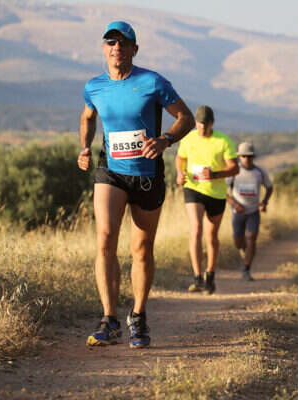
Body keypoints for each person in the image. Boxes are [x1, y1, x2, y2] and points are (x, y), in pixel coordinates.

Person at [78, 21, 195, 349]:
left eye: (123, 42)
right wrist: (85, 147)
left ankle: (138, 316)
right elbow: (87, 117)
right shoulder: (94, 87)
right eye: (111, 42)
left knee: (141, 248)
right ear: (104, 48)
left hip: (146, 175)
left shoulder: (152, 82)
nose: (117, 47)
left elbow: (186, 117)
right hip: (111, 171)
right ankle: (109, 319)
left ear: (134, 49)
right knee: (105, 239)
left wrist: (165, 140)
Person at [175, 105, 239, 294]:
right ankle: (197, 277)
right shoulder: (188, 138)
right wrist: (179, 173)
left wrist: (215, 174)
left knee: (211, 236)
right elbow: (180, 158)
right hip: (193, 188)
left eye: (205, 124)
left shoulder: (223, 141)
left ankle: (210, 275)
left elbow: (235, 168)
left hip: (216, 193)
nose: (202, 127)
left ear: (212, 123)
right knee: (196, 229)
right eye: (199, 123)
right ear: (195, 122)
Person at [226, 142, 273, 281]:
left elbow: (269, 187)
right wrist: (235, 204)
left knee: (252, 238)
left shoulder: (260, 172)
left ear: (253, 157)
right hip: (238, 212)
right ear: (239, 157)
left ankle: (246, 269)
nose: (247, 159)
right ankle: (243, 249)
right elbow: (223, 191)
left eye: (249, 156)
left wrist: (264, 202)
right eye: (244, 156)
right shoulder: (234, 172)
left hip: (253, 211)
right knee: (238, 241)